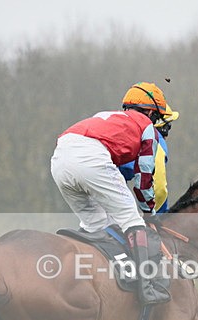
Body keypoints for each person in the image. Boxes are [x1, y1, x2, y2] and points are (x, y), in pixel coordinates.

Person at [50, 82, 172, 305]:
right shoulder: (147, 127)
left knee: (96, 224)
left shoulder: (109, 116)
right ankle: (147, 288)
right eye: (156, 117)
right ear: (151, 112)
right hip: (91, 158)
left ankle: (92, 277)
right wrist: (148, 212)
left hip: (59, 159)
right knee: (131, 220)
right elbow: (144, 177)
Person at [119, 104, 179, 212]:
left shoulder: (130, 132)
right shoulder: (157, 142)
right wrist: (157, 215)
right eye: (168, 126)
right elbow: (159, 188)